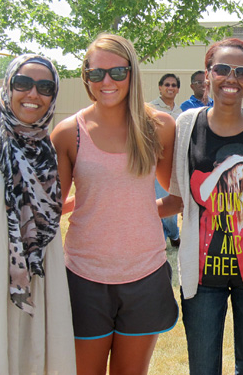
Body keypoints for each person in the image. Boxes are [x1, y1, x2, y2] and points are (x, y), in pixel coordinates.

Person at [51, 34, 178, 375]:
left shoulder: (160, 127)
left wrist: (135, 211)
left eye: (117, 72)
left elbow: (178, 197)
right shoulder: (67, 133)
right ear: (86, 76)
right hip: (83, 276)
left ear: (132, 72)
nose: (106, 81)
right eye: (96, 73)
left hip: (145, 274)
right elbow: (48, 209)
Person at [169, 38, 243, 375]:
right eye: (222, 69)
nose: (232, 78)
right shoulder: (186, 125)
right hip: (202, 274)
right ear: (207, 74)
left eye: (242, 72)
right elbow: (180, 194)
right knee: (203, 368)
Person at [0, 54, 76, 374]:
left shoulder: (45, 149)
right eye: (23, 83)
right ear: (8, 86)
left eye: (45, 87)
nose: (33, 94)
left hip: (36, 282)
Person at [148, 73, 182, 246]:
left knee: (173, 203)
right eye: (167, 84)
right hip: (157, 163)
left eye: (174, 85)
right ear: (160, 87)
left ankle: (174, 234)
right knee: (160, 201)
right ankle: (160, 242)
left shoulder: (181, 112)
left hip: (175, 164)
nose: (170, 88)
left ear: (178, 90)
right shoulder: (150, 109)